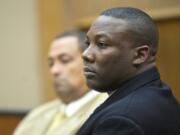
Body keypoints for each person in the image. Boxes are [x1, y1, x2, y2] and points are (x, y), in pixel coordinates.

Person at [76, 7, 180, 135]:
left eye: (102, 44)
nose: (86, 54)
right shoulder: (157, 95)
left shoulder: (122, 120)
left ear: (140, 55)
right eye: (88, 43)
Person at [13, 31, 107, 135]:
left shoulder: (107, 110)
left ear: (90, 61)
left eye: (64, 60)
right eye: (51, 63)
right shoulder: (37, 114)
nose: (54, 70)